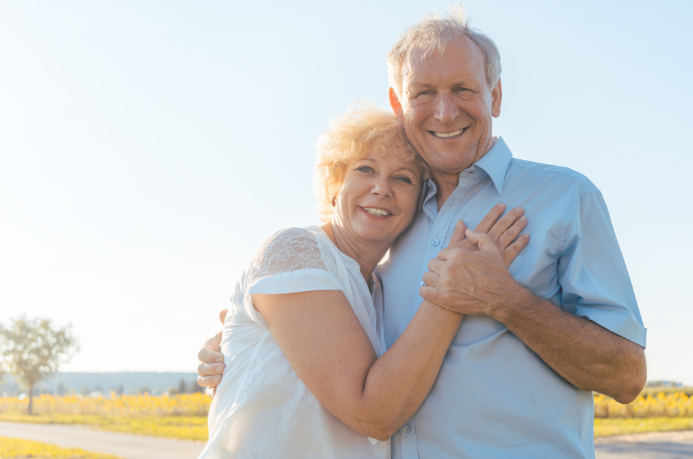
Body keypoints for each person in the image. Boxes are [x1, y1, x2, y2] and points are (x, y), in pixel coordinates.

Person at [200, 6, 648, 458]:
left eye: (463, 89)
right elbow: (324, 322)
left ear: (495, 95)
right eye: (423, 92)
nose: (445, 110)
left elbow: (627, 377)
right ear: (399, 104)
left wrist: (504, 299)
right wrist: (242, 341)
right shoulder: (392, 227)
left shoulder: (567, 198)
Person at [197, 106, 529, 459]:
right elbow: (373, 413)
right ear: (334, 184)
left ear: (420, 203)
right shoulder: (295, 251)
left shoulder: (382, 290)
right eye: (365, 169)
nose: (381, 188)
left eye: (403, 178)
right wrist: (454, 286)